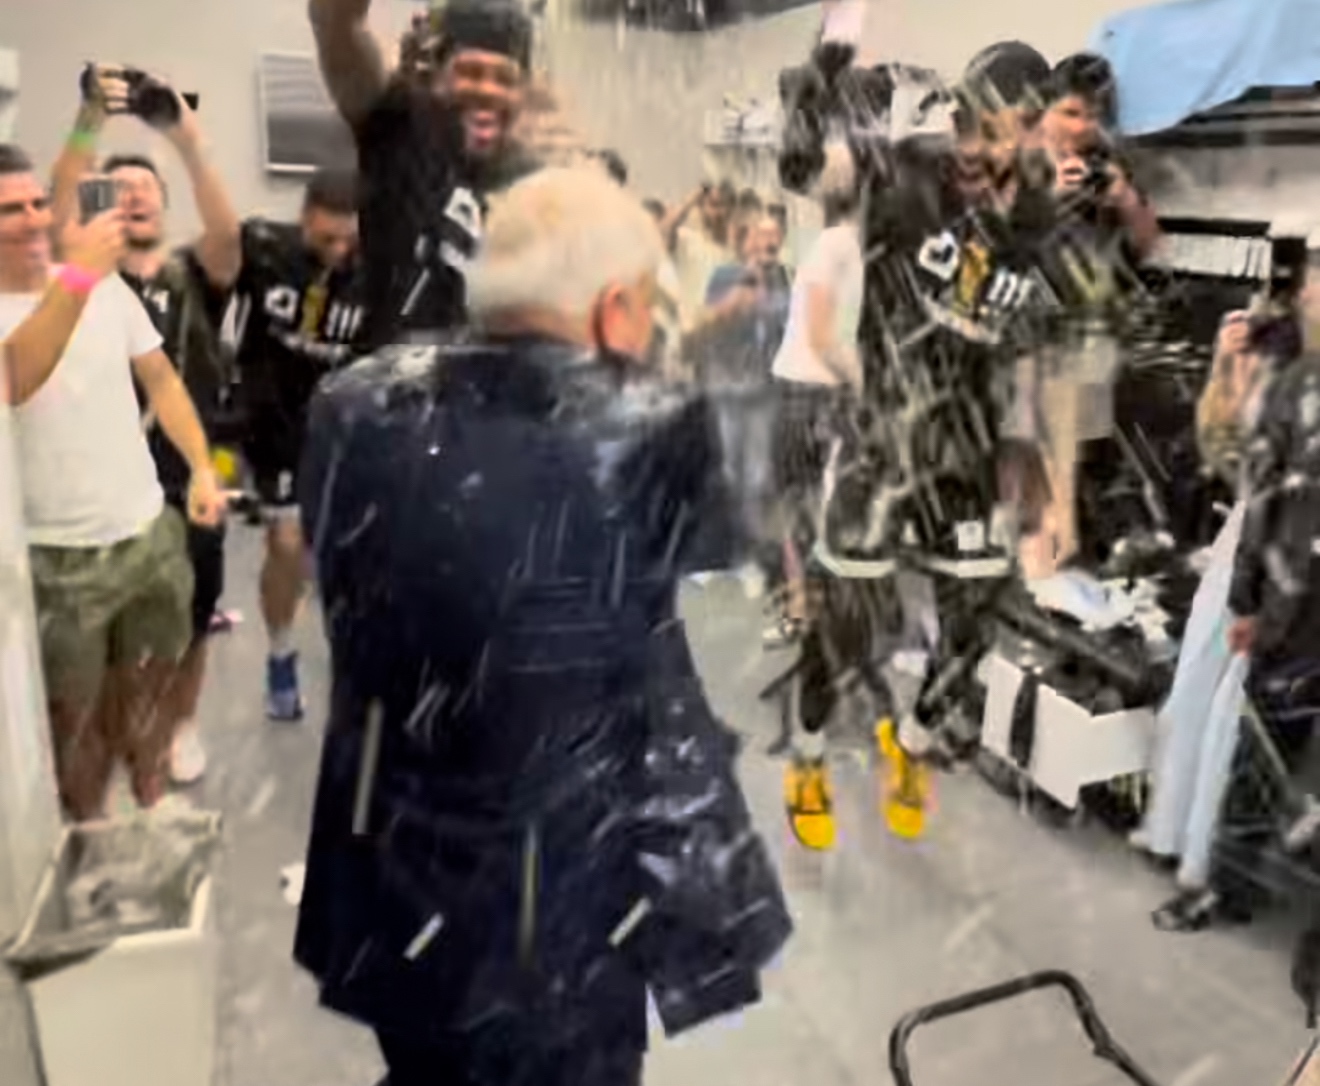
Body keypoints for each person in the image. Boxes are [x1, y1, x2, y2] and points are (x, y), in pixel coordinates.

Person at [293, 167, 788, 1086]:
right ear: (613, 312)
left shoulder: (352, 406)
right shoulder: (647, 425)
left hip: (392, 871)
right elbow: (700, 553)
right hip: (557, 912)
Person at [0, 143, 224, 820]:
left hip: (145, 534)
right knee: (78, 724)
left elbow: (161, 377)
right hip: (57, 559)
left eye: (37, 203)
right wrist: (77, 277)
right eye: (11, 210)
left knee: (149, 693)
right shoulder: (73, 286)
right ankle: (92, 838)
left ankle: (150, 802)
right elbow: (15, 377)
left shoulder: (103, 287)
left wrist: (200, 468)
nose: (34, 219)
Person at [48, 65, 242, 785]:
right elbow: (62, 205)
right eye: (118, 188)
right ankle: (112, 742)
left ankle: (178, 725)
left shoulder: (196, 272)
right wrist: (90, 119)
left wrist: (186, 138)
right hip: (105, 477)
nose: (132, 195)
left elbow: (226, 231)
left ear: (165, 203)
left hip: (190, 470)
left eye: (145, 188)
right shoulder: (88, 275)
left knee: (193, 616)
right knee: (111, 627)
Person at [310, 0, 540, 349]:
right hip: (392, 376)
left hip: (494, 380)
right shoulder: (403, 131)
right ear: (438, 75)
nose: (487, 91)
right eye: (470, 72)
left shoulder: (539, 184)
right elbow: (335, 24)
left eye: (505, 80)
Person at [230, 169, 364, 721]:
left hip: (345, 428)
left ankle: (353, 664)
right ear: (304, 217)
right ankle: (281, 654)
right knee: (286, 546)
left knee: (346, 557)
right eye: (326, 237)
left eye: (348, 239)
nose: (338, 250)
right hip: (276, 427)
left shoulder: (377, 270)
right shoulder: (264, 250)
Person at [767, 141, 863, 850]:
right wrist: (871, 384)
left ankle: (803, 613)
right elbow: (828, 336)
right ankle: (809, 624)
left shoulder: (833, 241)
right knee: (820, 536)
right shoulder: (840, 245)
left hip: (801, 398)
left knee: (804, 529)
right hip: (813, 400)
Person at [688, 213, 792, 595]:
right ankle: (726, 554)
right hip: (726, 388)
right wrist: (739, 298)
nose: (768, 243)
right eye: (761, 235)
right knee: (728, 473)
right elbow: (712, 319)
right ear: (746, 240)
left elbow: (786, 319)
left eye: (774, 236)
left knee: (759, 477)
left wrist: (765, 297)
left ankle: (752, 557)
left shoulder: (784, 279)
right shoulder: (725, 275)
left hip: (763, 391)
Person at [659, 179, 736, 330]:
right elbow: (665, 230)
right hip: (686, 330)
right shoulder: (687, 240)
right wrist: (693, 198)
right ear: (702, 208)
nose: (720, 212)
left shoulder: (733, 255)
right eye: (714, 205)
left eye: (724, 205)